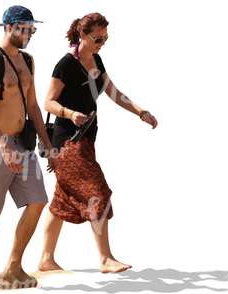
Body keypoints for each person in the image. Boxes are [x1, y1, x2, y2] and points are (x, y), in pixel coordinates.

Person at [39, 12, 158, 273]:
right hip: (67, 143)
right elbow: (48, 101)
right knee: (97, 193)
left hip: (85, 142)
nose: (102, 43)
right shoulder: (66, 65)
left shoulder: (94, 60)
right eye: (97, 39)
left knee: (62, 203)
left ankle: (45, 259)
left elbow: (112, 92)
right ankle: (105, 258)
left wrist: (140, 111)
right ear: (82, 34)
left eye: (105, 39)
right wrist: (70, 114)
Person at [0, 5, 55, 288]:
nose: (29, 34)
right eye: (23, 28)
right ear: (8, 27)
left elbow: (33, 105)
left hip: (23, 143)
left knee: (38, 200)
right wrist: (3, 145)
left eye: (32, 29)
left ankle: (13, 266)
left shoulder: (29, 61)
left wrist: (48, 145)